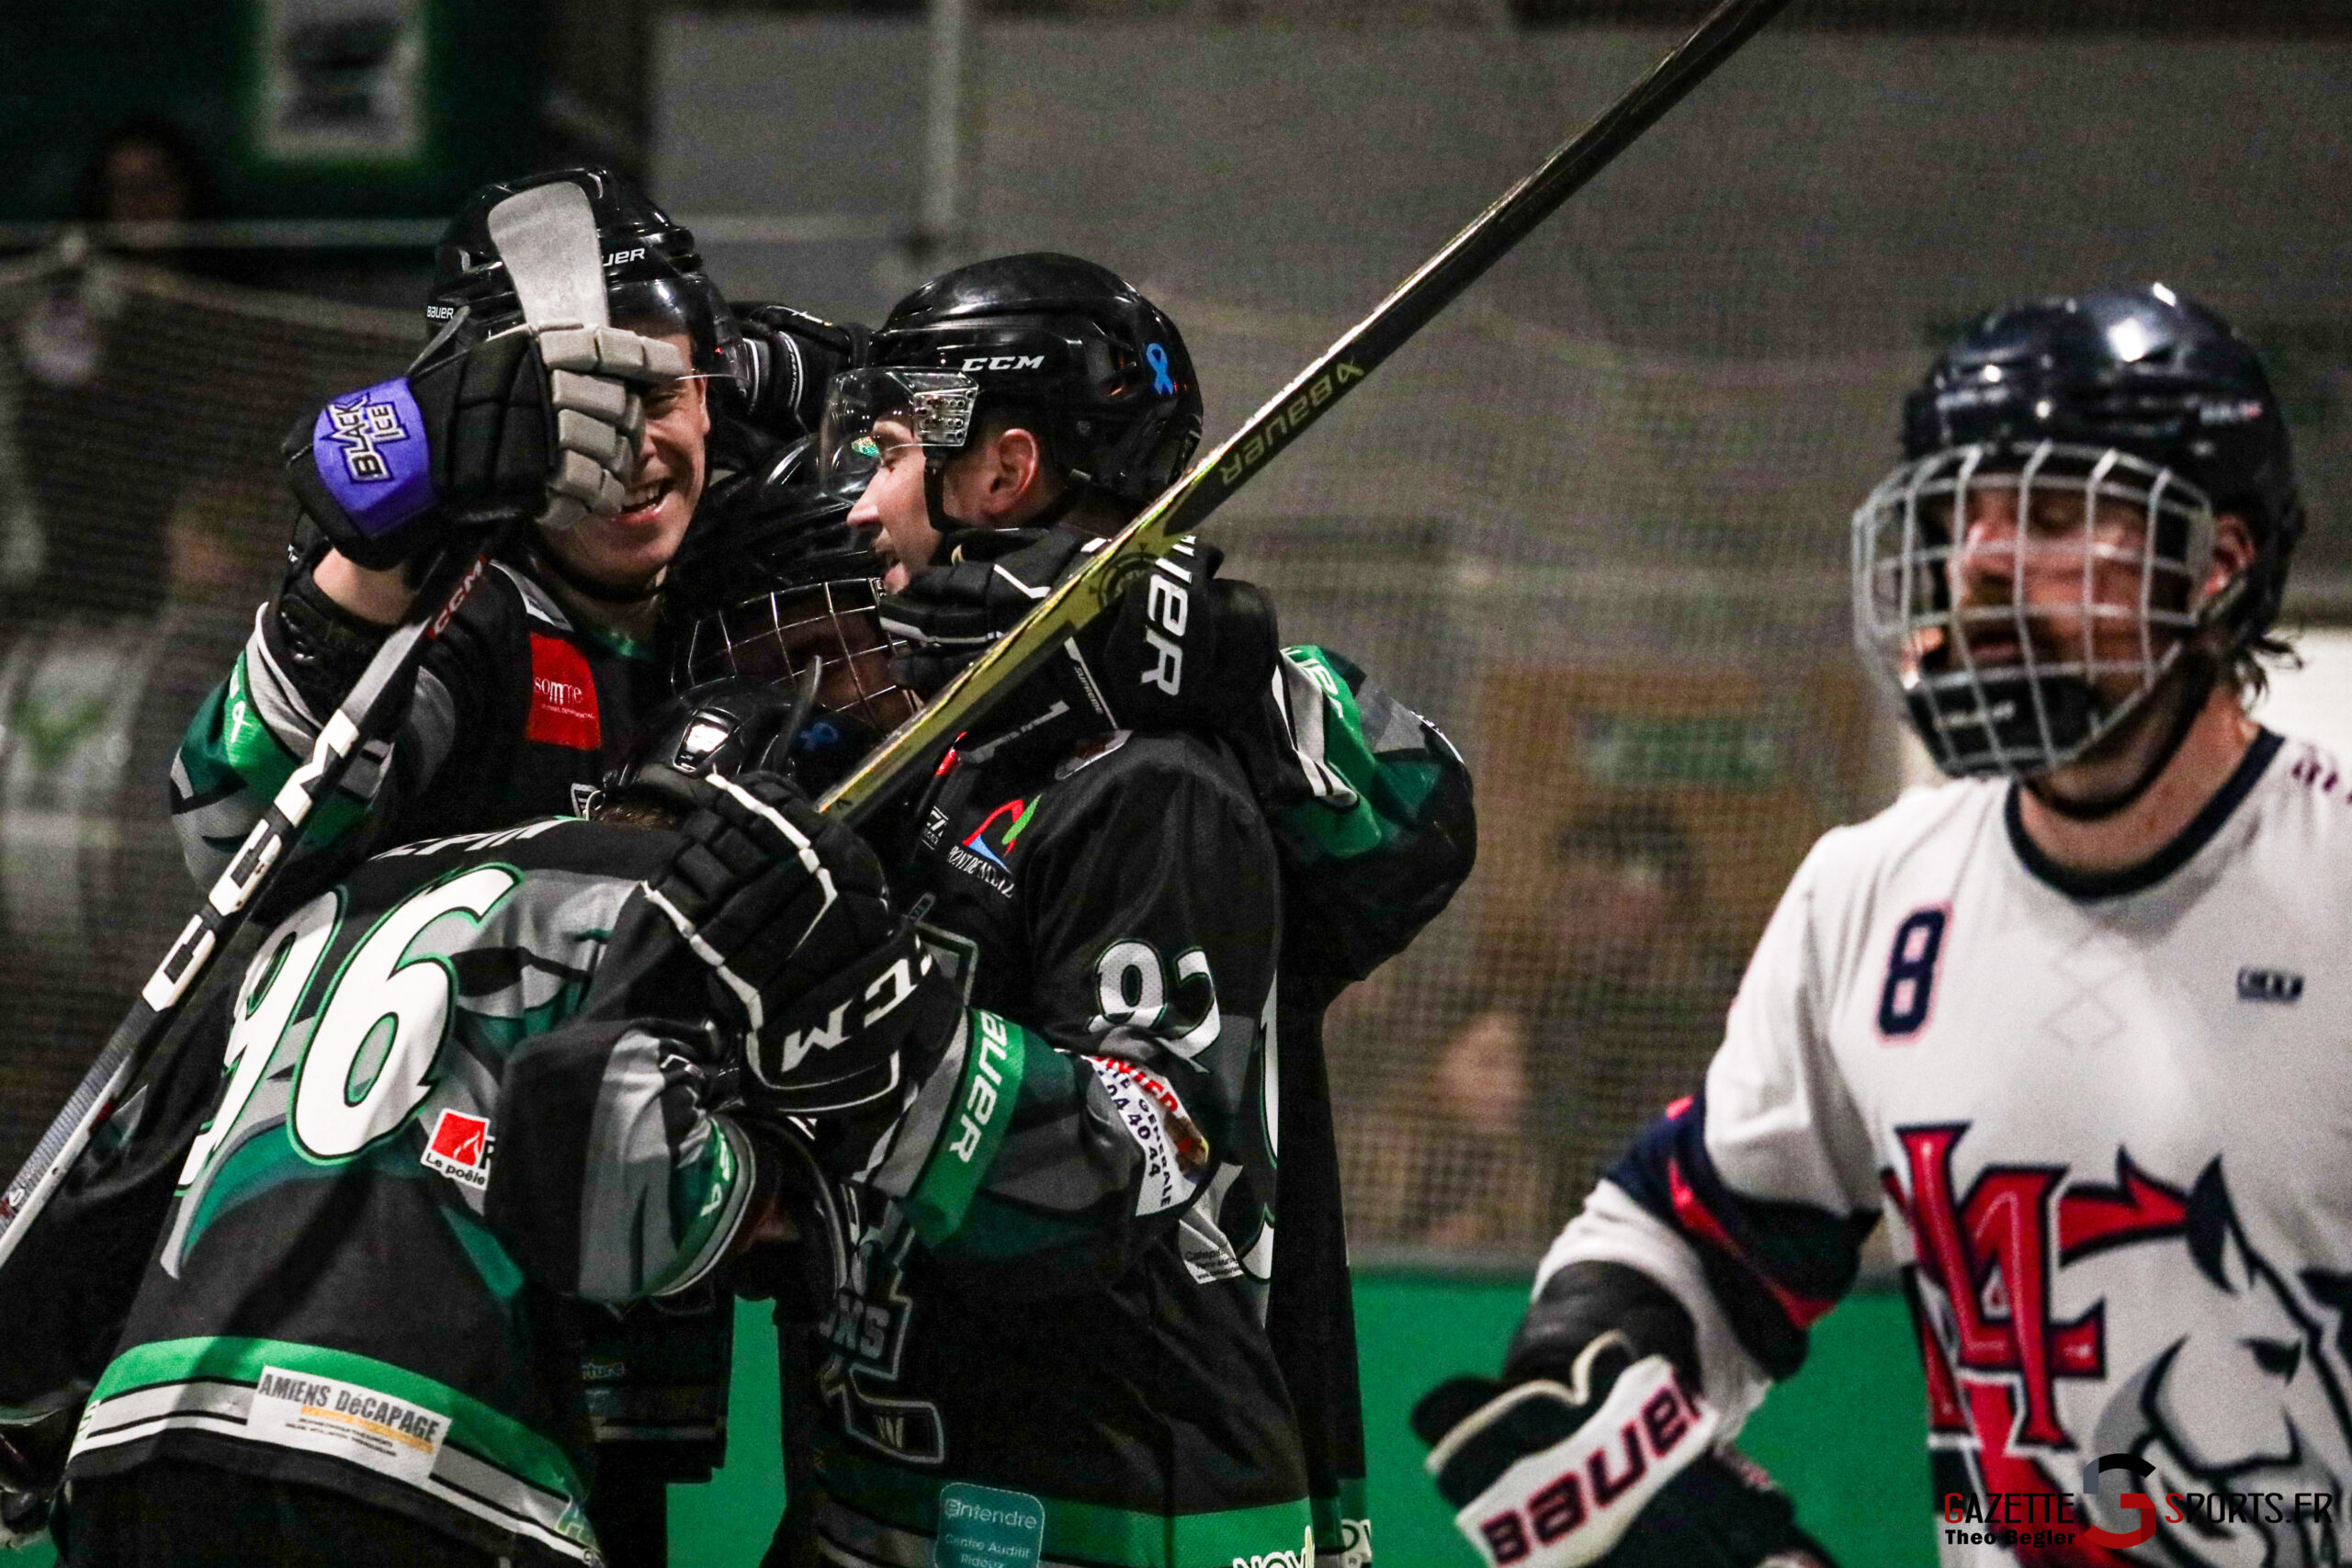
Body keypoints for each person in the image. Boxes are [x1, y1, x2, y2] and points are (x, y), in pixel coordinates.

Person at [1411, 285, 2322, 1568]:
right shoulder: (1877, 893)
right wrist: (1600, 1390)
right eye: (1966, 514)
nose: (1987, 559)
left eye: (2055, 516)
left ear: (2217, 561)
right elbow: (1692, 1231)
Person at [700, 251, 1471, 1568]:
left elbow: (1126, 1157)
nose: (860, 504)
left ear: (1001, 470)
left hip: (1104, 1510)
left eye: (887, 452)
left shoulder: (1154, 772)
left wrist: (846, 1031)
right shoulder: (951, 762)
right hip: (896, 1499)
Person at [4, 678, 949, 1566]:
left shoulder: (344, 892)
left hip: (144, 1440)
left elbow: (99, 1214)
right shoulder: (697, 918)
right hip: (419, 1463)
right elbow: (620, 1209)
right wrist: (770, 1181)